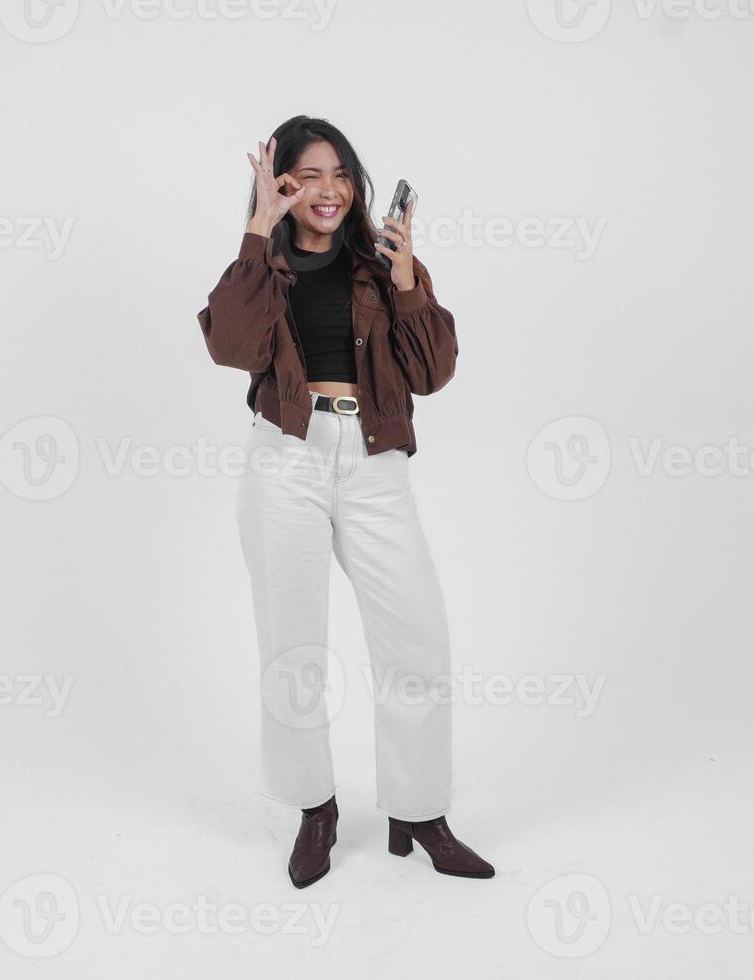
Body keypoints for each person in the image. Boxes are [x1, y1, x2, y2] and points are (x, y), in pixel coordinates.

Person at [197, 115, 494, 888]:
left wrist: (405, 279)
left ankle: (418, 812)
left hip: (373, 461)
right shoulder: (265, 265)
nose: (327, 191)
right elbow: (231, 345)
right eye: (307, 177)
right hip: (286, 461)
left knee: (418, 643)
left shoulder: (382, 263)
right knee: (292, 651)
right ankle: (315, 808)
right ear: (281, 185)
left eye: (341, 175)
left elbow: (433, 372)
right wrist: (257, 233)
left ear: (357, 183)